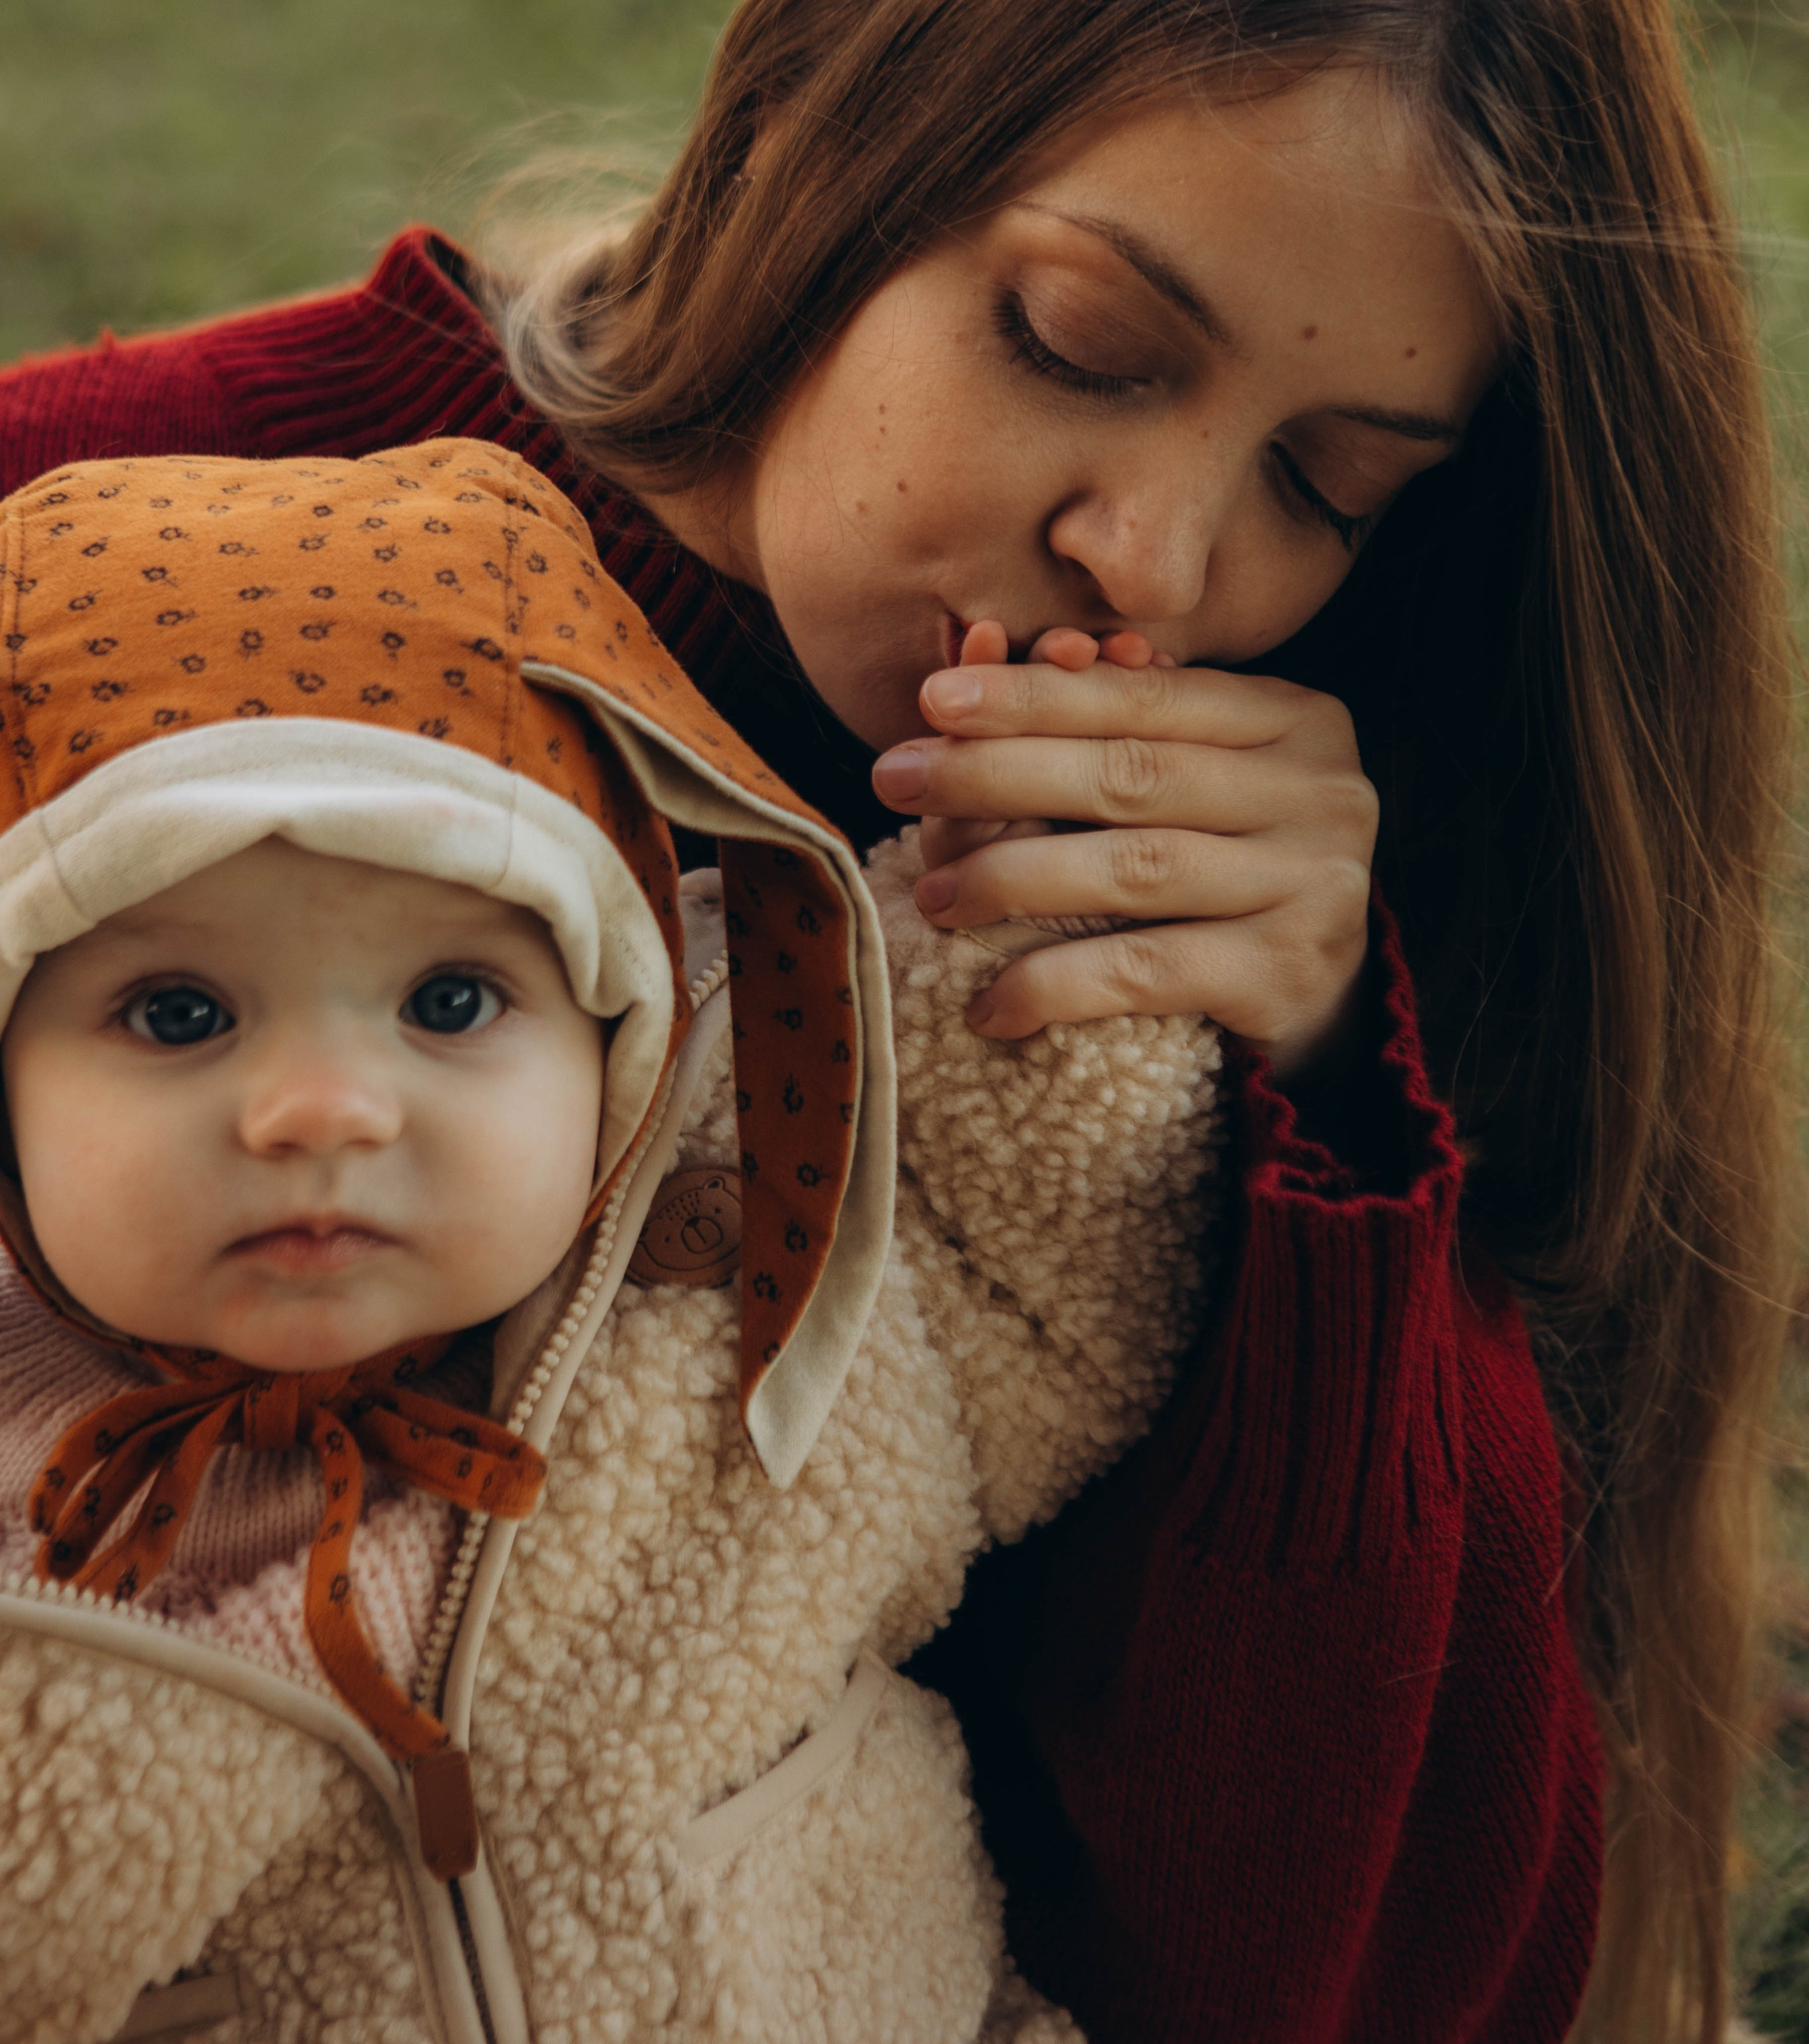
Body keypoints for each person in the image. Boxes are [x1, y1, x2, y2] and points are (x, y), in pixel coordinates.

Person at [0, 0, 1792, 2043]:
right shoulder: (112, 522)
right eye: (1076, 342)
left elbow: (1357, 1996)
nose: (1154, 564)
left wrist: (1333, 1160)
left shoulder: (1262, 907)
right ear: (839, 123)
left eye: (1321, 486)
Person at [0, 437, 1226, 2042]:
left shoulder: (756, 1289)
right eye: (176, 1013)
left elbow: (1059, 1278)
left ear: (620, 1037)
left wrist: (1046, 900)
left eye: (451, 1002)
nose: (320, 1110)